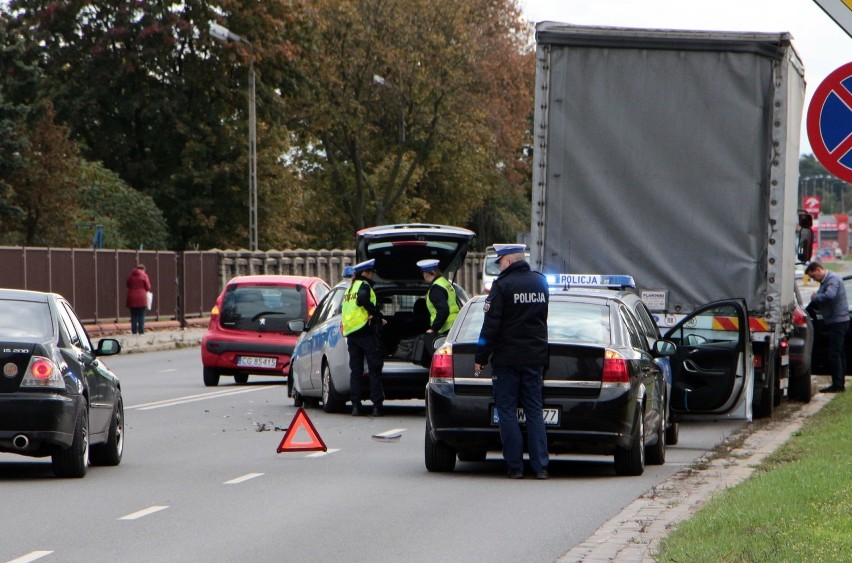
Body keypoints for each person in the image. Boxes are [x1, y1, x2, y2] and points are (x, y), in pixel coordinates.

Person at [474, 244, 550, 479]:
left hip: (507, 359)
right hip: (535, 358)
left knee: (506, 412)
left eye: (500, 263)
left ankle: (515, 467)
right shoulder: (540, 282)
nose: (500, 268)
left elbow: (491, 326)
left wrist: (481, 357)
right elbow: (542, 319)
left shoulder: (502, 285)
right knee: (535, 412)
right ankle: (541, 468)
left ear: (507, 261)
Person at [342, 259, 388, 416]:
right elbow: (362, 300)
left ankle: (356, 405)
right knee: (374, 369)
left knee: (356, 371)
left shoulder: (350, 289)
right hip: (365, 332)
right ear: (366, 273)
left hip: (351, 334)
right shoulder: (364, 286)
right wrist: (377, 314)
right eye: (371, 273)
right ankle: (377, 405)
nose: (373, 275)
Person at [805, 261, 849, 393]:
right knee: (839, 352)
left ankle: (837, 385)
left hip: (838, 321)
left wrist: (816, 297)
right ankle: (840, 382)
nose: (813, 279)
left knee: (834, 353)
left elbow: (830, 295)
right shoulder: (825, 281)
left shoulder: (832, 279)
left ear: (818, 270)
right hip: (835, 321)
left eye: (813, 276)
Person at [126, 264, 151, 335]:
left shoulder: (130, 276)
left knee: (133, 315)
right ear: (143, 269)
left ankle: (134, 331)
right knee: (141, 315)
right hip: (142, 297)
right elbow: (148, 287)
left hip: (131, 297)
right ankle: (141, 331)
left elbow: (127, 285)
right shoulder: (144, 276)